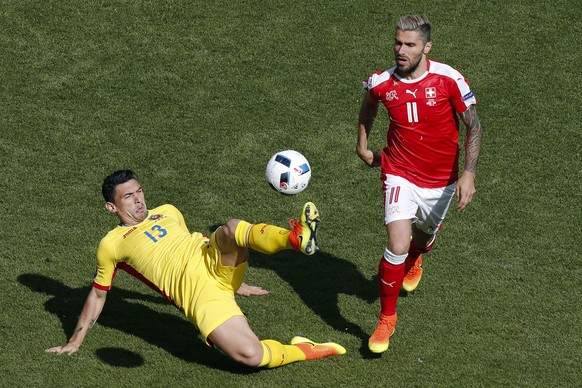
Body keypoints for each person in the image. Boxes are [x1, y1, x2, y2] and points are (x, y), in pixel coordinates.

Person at [46, 169, 346, 368]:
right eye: (128, 196)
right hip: (200, 297)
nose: (138, 200)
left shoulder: (167, 211)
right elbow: (98, 296)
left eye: (138, 191)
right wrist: (74, 341)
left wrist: (236, 282)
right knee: (250, 356)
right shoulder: (111, 244)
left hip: (212, 262)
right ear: (111, 208)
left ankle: (296, 237)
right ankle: (306, 349)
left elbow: (200, 242)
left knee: (230, 229)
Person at [356, 15, 483, 353]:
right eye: (397, 42)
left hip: (441, 180)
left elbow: (474, 125)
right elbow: (369, 105)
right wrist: (363, 145)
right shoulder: (381, 82)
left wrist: (468, 172)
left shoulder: (449, 80)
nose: (401, 50)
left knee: (423, 239)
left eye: (410, 44)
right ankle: (387, 317)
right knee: (396, 242)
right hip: (399, 172)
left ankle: (417, 256)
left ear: (427, 47)